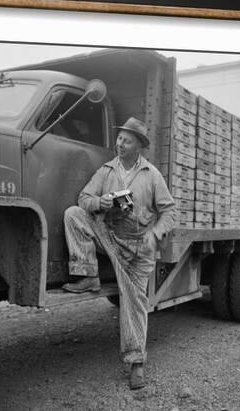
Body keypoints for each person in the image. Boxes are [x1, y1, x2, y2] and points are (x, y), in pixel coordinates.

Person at [61, 117, 176, 389]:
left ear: (139, 146)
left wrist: (156, 233)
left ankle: (137, 362)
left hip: (139, 248)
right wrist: (100, 202)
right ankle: (87, 275)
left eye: (127, 140)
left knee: (134, 305)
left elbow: (170, 211)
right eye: (120, 138)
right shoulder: (106, 170)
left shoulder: (151, 174)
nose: (120, 143)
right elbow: (83, 199)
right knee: (74, 215)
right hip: (111, 238)